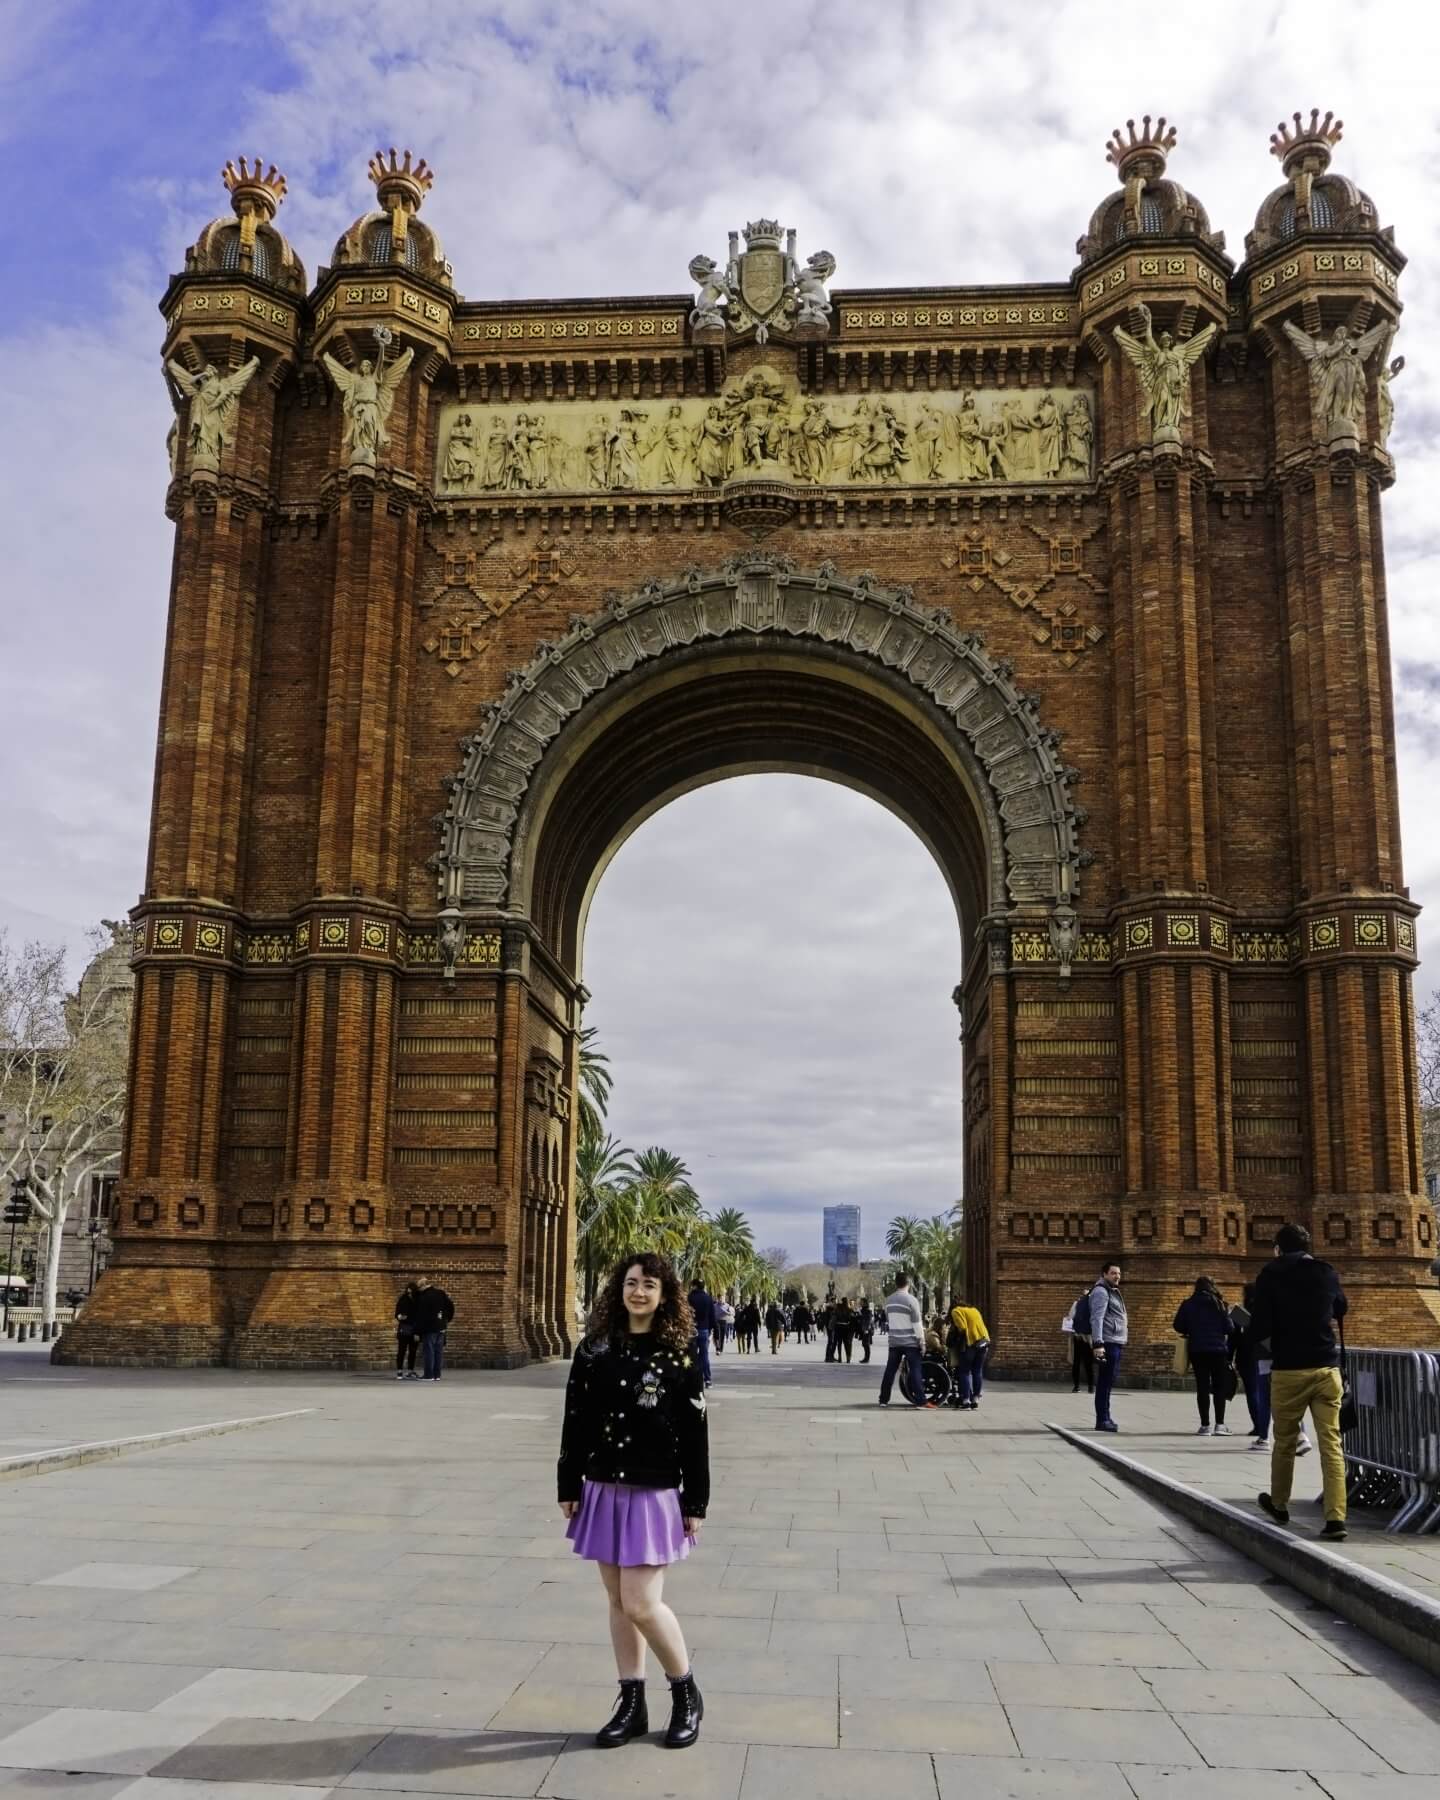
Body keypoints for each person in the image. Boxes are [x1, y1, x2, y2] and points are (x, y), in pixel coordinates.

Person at [558, 1250, 708, 1748]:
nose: (638, 1292)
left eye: (648, 1285)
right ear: (618, 1290)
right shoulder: (595, 1348)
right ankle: (632, 1701)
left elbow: (695, 1430)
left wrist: (696, 1501)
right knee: (618, 1601)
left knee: (641, 1602)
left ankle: (685, 1692)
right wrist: (568, 1481)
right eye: (630, 1283)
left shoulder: (680, 1353)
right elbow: (575, 1416)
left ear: (665, 1296)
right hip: (602, 1484)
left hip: (654, 1487)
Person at [1251, 1224, 1349, 1541]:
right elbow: (1341, 1307)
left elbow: (1260, 1323)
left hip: (1289, 1369)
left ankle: (1279, 1504)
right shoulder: (1325, 1271)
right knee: (1331, 1445)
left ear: (1279, 1248)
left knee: (1285, 1442)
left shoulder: (1271, 1273)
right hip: (1326, 1368)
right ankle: (1336, 1518)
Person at [1173, 1276, 1237, 1435]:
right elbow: (1229, 1329)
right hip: (1218, 1351)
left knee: (1202, 1387)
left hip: (1197, 1350)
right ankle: (1220, 1425)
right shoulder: (1220, 1304)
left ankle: (1205, 1426)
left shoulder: (1188, 1304)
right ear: (1212, 1287)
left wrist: (1192, 1328)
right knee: (1219, 1387)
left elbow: (1178, 1325)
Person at [878, 1273, 933, 1408]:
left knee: (890, 1370)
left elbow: (888, 1319)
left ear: (896, 1283)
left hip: (894, 1341)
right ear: (908, 1283)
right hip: (910, 1343)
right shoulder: (911, 1300)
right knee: (915, 1370)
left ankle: (883, 1400)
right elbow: (917, 1324)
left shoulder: (889, 1300)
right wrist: (922, 1341)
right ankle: (921, 1401)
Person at [1088, 1262, 1127, 1432]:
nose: (1117, 1276)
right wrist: (1098, 1343)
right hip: (1107, 1343)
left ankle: (1106, 1417)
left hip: (1115, 1341)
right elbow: (1097, 1318)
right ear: (1104, 1274)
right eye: (1113, 1273)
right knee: (1105, 1381)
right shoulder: (1101, 1292)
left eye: (1118, 1273)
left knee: (1109, 1381)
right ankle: (1102, 1420)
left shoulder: (1111, 1291)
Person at [949, 1296, 991, 1410]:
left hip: (970, 1343)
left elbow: (962, 1328)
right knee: (977, 1371)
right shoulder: (974, 1310)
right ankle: (975, 1398)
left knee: (964, 1372)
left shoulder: (956, 1310)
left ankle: (966, 1400)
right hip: (983, 1341)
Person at [414, 1277, 455, 1380]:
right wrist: (446, 1320)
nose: (418, 1290)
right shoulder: (441, 1293)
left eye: (418, 1288)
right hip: (441, 1326)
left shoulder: (424, 1297)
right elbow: (450, 1306)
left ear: (423, 1286)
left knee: (429, 1351)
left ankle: (428, 1375)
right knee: (438, 1352)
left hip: (429, 1328)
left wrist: (417, 1332)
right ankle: (437, 1375)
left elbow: (421, 1316)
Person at [1064, 1288, 1095, 1394]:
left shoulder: (1076, 1303)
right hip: (1089, 1338)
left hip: (1077, 1337)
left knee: (1076, 1363)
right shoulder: (1094, 1304)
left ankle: (1076, 1387)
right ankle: (1091, 1387)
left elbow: (1069, 1318)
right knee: (1088, 1364)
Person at [687, 1280, 716, 1388]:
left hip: (691, 1329)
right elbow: (712, 1316)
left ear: (694, 1286)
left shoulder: (689, 1298)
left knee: (690, 1354)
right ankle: (707, 1380)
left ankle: (690, 1378)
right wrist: (714, 1330)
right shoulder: (708, 1298)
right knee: (704, 1355)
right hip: (704, 1330)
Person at [394, 1280, 421, 1379]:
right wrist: (400, 1317)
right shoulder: (403, 1299)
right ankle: (400, 1371)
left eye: (410, 1291)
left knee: (412, 1351)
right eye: (408, 1290)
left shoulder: (418, 1300)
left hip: (413, 1328)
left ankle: (409, 1370)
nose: (409, 1292)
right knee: (402, 1350)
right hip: (405, 1327)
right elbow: (397, 1313)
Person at [832, 1297, 856, 1364]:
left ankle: (840, 1357)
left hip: (838, 1327)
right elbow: (852, 1318)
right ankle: (848, 1358)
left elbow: (834, 1315)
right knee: (846, 1344)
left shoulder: (837, 1308)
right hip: (846, 1328)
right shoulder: (849, 1309)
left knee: (839, 1343)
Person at [855, 1299, 874, 1363]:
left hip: (866, 1330)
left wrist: (866, 1329)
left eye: (862, 1302)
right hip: (863, 1330)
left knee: (866, 1344)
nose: (860, 1303)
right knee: (864, 1344)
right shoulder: (862, 1310)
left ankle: (867, 1358)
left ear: (865, 1303)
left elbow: (868, 1321)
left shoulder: (868, 1311)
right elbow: (861, 1319)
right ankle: (866, 1358)